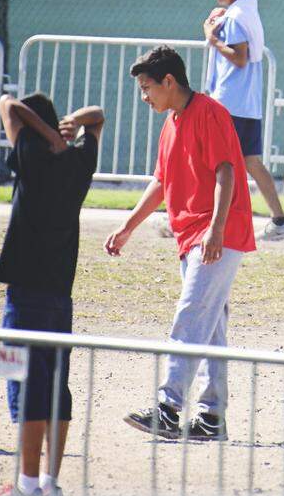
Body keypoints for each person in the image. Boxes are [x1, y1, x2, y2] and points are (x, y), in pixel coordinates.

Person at [106, 46, 255, 441]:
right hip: (193, 236)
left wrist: (217, 230)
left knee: (190, 314)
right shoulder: (171, 121)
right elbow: (160, 183)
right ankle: (211, 418)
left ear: (169, 81)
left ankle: (168, 407)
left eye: (147, 87)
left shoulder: (210, 112)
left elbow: (226, 172)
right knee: (209, 328)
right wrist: (127, 228)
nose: (144, 96)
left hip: (218, 234)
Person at [0, 92, 104, 496]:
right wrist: (68, 128)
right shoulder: (77, 163)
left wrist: (46, 133)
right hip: (59, 294)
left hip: (25, 291)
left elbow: (7, 105)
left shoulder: (32, 157)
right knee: (56, 389)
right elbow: (98, 117)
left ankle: (27, 488)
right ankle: (51, 486)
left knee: (27, 388)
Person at [203, 0, 284, 241]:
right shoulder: (243, 12)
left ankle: (202, 218)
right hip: (244, 103)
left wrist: (211, 38)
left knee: (213, 161)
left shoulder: (235, 17)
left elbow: (239, 58)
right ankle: (280, 220)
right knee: (250, 162)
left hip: (230, 102)